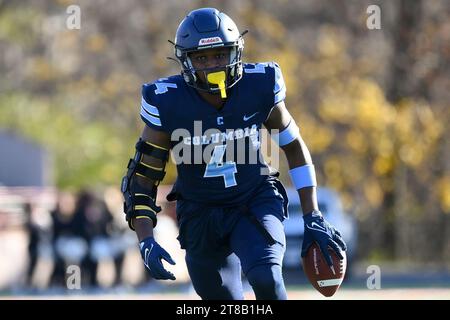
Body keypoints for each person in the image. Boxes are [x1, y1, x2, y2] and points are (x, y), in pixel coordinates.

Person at [121, 7, 347, 300]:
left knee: (267, 279)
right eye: (201, 58)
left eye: (219, 54)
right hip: (200, 212)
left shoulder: (258, 86)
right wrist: (146, 239)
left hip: (252, 201)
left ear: (235, 52)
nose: (212, 64)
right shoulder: (168, 101)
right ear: (185, 60)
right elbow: (143, 178)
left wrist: (312, 213)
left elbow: (293, 146)